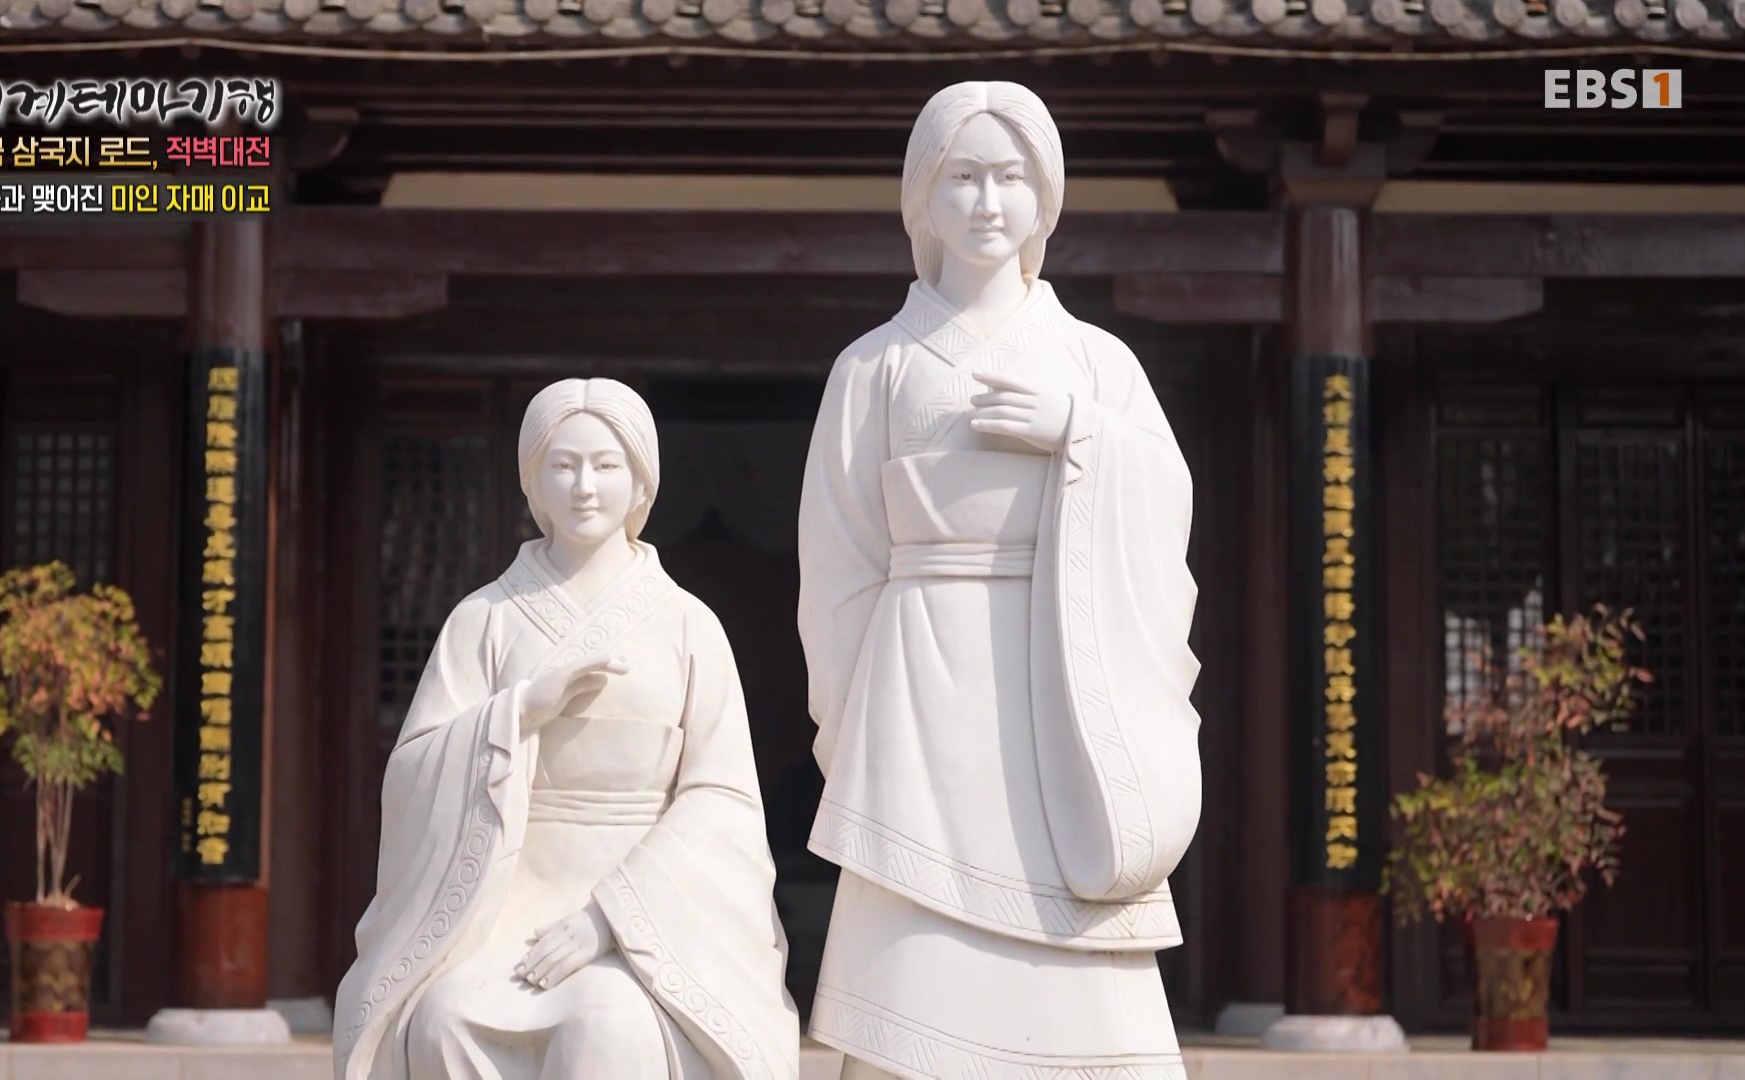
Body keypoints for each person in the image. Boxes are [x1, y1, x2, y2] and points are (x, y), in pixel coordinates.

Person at [796, 81, 1203, 1080]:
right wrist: (849, 723)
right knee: (915, 955)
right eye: (964, 177)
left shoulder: (1097, 363)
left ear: (1045, 198)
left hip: (1060, 678)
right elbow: (839, 564)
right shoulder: (873, 369)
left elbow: (1167, 505)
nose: (988, 202)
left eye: (1011, 178)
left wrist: (1080, 434)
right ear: (923, 197)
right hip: (917, 685)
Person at [334, 377, 801, 1080]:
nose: (584, 487)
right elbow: (413, 774)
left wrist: (610, 918)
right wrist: (518, 711)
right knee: (442, 1016)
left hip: (642, 921)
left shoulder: (688, 624)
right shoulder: (483, 620)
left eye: (606, 465)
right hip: (502, 910)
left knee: (607, 1023)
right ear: (533, 481)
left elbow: (721, 800)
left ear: (640, 484)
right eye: (563, 465)